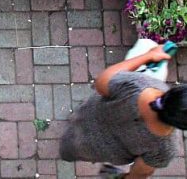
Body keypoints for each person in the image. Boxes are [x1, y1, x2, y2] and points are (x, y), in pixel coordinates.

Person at [59, 45, 187, 178]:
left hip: (89, 114)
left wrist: (148, 56)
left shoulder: (140, 84)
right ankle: (66, 153)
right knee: (71, 150)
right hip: (95, 149)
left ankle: (71, 125)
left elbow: (101, 83)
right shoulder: (165, 149)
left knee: (74, 130)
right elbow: (140, 173)